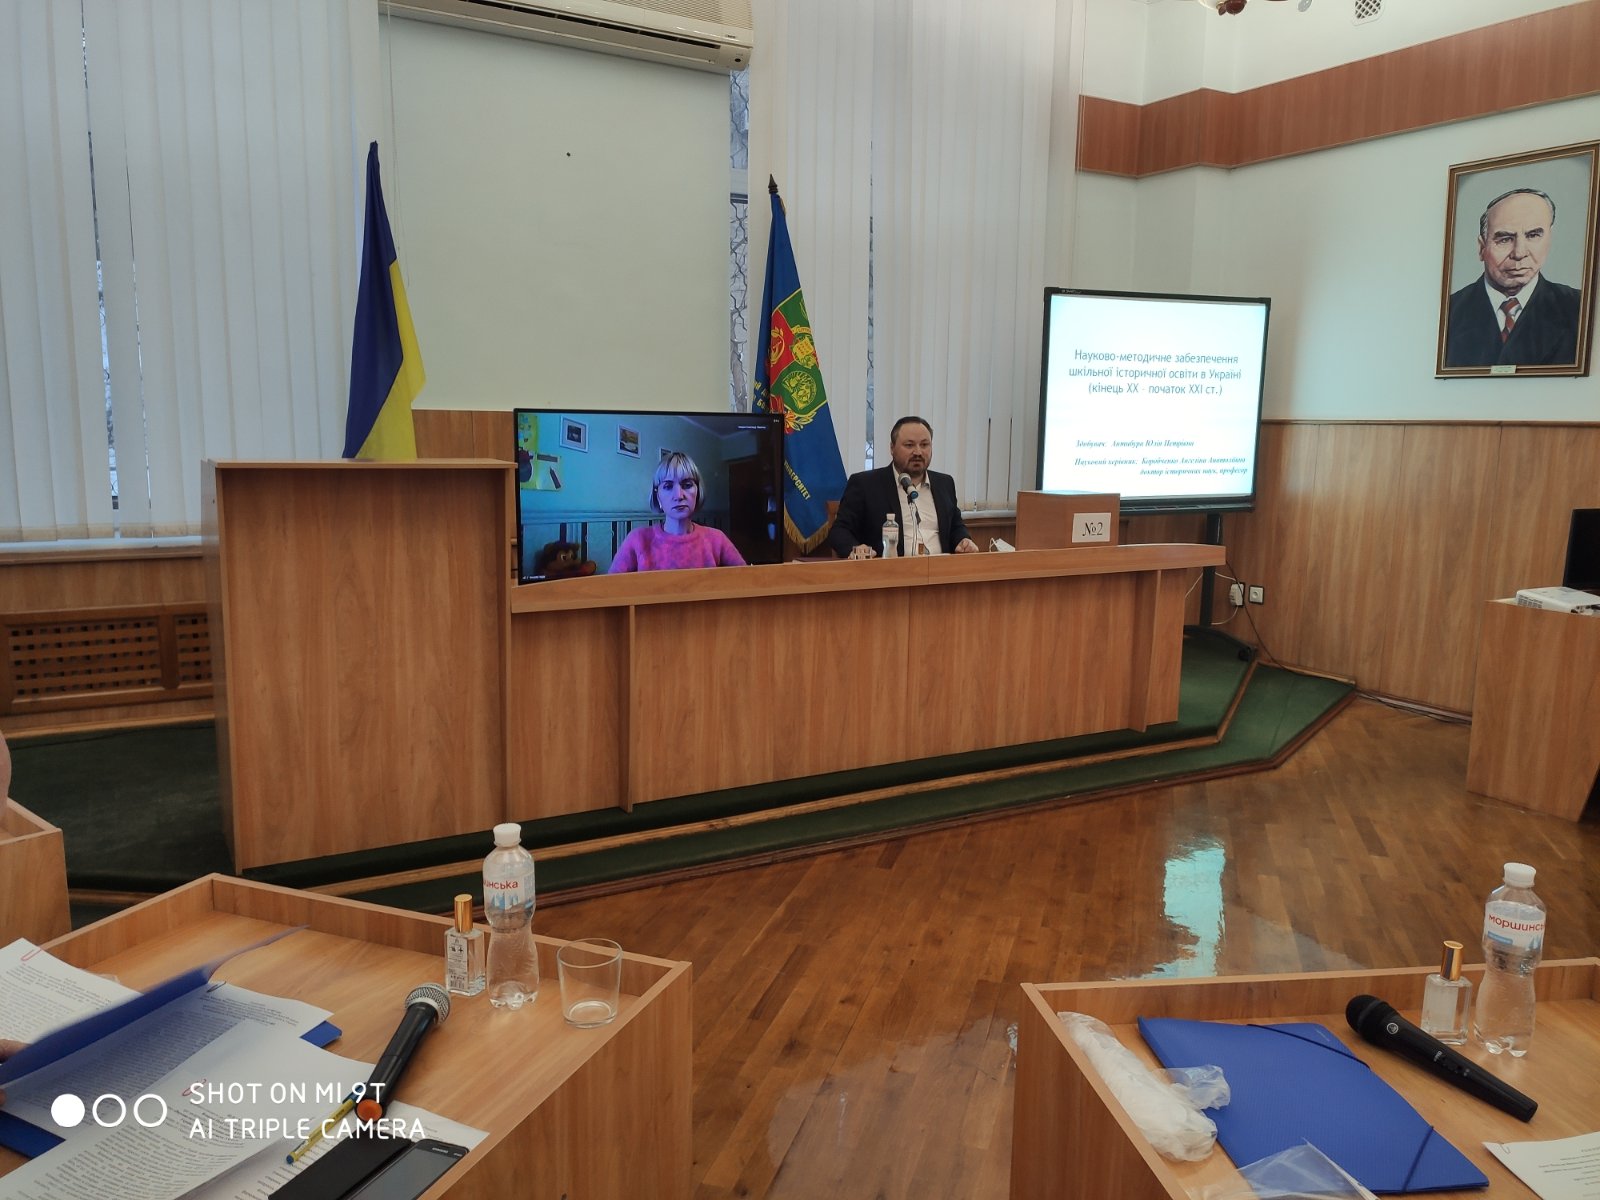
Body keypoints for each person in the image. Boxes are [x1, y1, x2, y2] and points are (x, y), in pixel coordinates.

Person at [1444, 187, 1582, 368]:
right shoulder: (1448, 312)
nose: (1519, 253)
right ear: (1482, 248)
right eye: (1505, 239)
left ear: (1549, 239)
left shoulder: (1579, 308)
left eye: (1533, 235)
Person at [827, 416, 979, 559]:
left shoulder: (944, 483)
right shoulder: (866, 484)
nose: (918, 452)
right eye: (909, 445)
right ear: (892, 448)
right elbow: (840, 531)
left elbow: (956, 526)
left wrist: (963, 540)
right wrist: (857, 549)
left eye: (924, 445)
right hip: (889, 573)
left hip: (941, 571)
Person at [609, 451, 747, 572]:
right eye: (668, 486)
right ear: (658, 496)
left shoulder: (717, 539)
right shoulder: (637, 539)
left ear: (698, 491)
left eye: (687, 485)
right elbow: (610, 588)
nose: (679, 495)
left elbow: (747, 581)